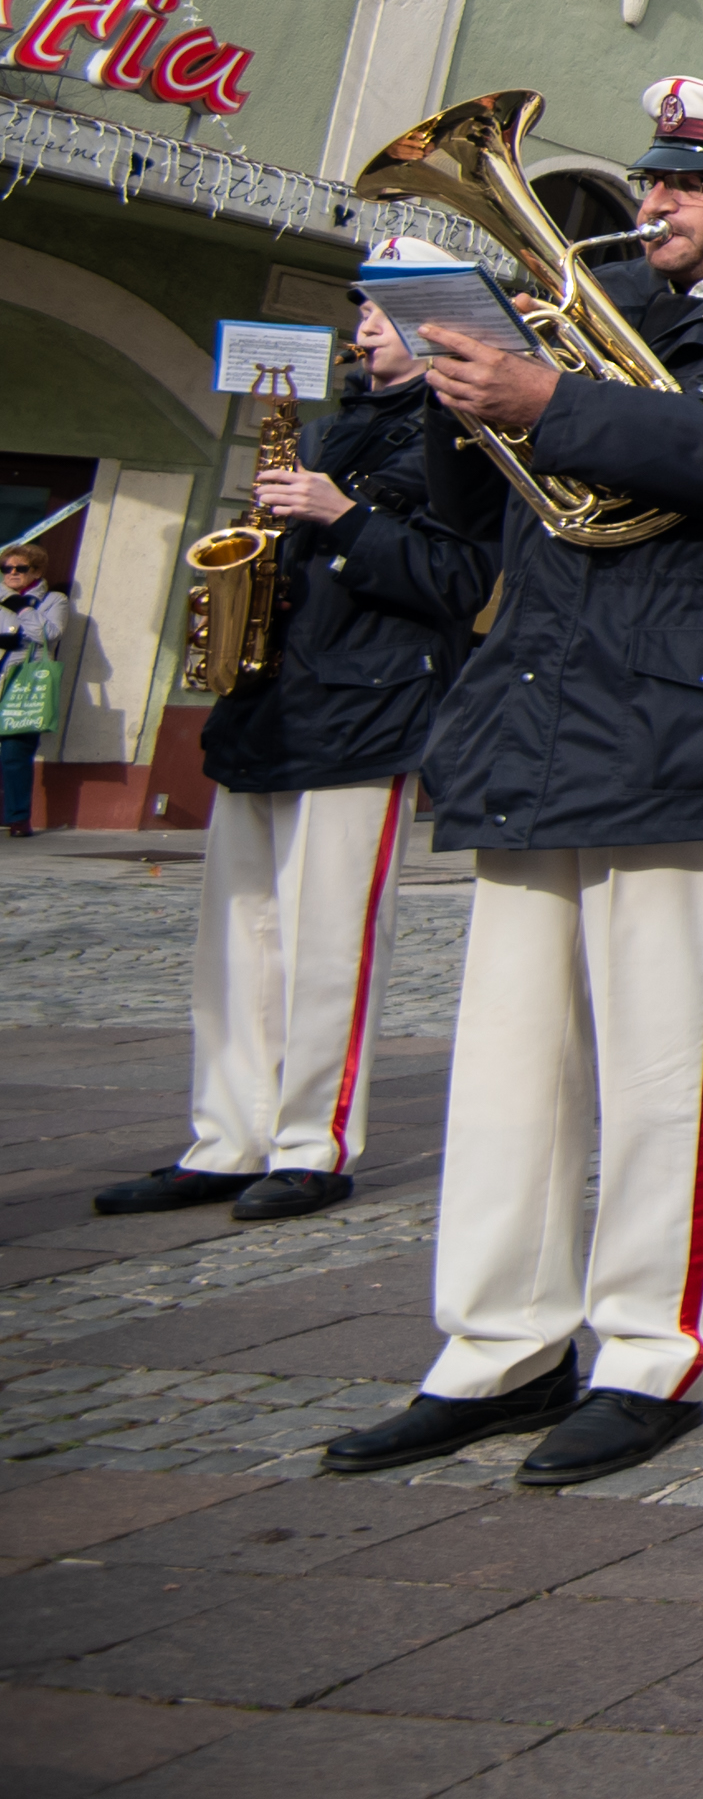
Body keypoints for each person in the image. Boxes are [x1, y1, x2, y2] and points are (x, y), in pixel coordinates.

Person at [333, 74, 703, 1490]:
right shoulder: (610, 308)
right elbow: (474, 515)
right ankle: (497, 1345)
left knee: (659, 1074)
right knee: (507, 1073)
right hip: (537, 709)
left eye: (691, 185)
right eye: (654, 180)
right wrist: (459, 395)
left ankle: (650, 1349)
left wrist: (551, 396)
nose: (654, 205)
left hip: (687, 717)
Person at [100, 284, 488, 1222]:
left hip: (369, 709)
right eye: (361, 312)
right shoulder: (320, 432)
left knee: (329, 946)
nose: (363, 328)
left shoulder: (462, 439)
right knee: (236, 942)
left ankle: (315, 1145)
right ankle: (225, 1138)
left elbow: (458, 579)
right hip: (269, 704)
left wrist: (342, 515)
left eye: (384, 314)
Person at [0, 531, 62, 834]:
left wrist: (22, 608)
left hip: (25, 685)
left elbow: (48, 635)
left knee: (15, 753)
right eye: (6, 568)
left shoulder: (53, 600)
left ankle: (18, 817)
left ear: (36, 571)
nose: (12, 573)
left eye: (20, 568)